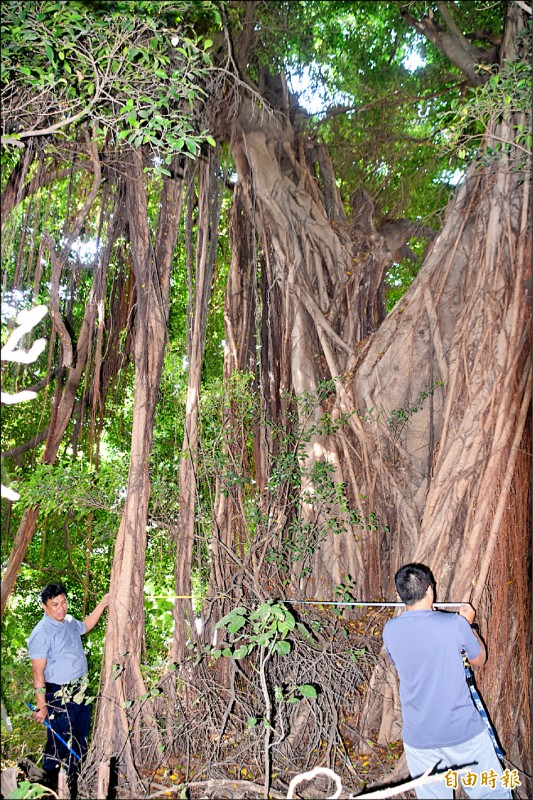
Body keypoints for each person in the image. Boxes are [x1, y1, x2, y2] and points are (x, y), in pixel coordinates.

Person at [382, 563, 511, 800]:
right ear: (430, 589)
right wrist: (468, 625)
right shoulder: (454, 624)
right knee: (492, 794)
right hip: (463, 733)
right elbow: (480, 659)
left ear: (400, 595)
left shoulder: (389, 630)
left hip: (419, 736)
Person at [28, 583, 109, 794]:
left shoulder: (69, 621)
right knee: (59, 742)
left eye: (63, 601)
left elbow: (86, 625)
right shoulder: (41, 633)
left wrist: (103, 603)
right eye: (54, 604)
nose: (61, 607)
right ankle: (48, 790)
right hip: (58, 693)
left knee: (81, 736)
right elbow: (38, 673)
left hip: (80, 689)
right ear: (45, 607)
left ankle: (74, 785)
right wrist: (41, 705)